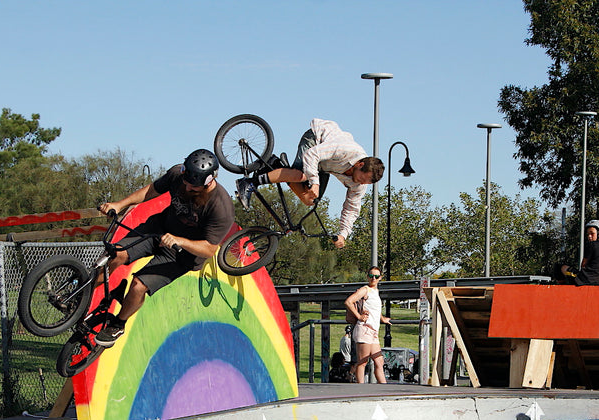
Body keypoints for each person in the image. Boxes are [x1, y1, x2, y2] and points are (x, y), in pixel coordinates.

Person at [94, 149, 235, 347]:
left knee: (138, 285)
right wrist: (120, 204)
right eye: (185, 181)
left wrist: (180, 241)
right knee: (115, 253)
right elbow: (151, 190)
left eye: (192, 186)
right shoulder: (179, 174)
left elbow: (210, 249)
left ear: (208, 182)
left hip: (182, 255)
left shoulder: (221, 207)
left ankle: (118, 324)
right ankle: (81, 298)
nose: (186, 186)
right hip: (158, 229)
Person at [236, 118, 385, 248]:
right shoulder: (346, 150)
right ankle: (249, 182)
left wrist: (343, 234)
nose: (359, 183)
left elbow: (352, 209)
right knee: (302, 175)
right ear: (359, 164)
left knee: (310, 199)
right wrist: (314, 181)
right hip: (316, 140)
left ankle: (276, 166)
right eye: (361, 178)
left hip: (324, 165)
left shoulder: (360, 185)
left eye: (364, 182)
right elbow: (312, 154)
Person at [345, 266, 391, 383]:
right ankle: (361, 388)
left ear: (380, 278)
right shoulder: (365, 289)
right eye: (371, 276)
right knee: (363, 362)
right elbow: (349, 302)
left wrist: (382, 318)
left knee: (379, 361)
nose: (373, 278)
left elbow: (374, 309)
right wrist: (359, 316)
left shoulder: (376, 291)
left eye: (376, 276)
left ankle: (384, 388)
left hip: (373, 330)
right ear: (367, 277)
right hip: (364, 329)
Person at [556, 220, 599, 285]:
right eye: (588, 234)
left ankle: (562, 289)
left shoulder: (592, 245)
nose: (589, 236)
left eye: (592, 233)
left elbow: (583, 264)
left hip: (583, 280)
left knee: (559, 267)